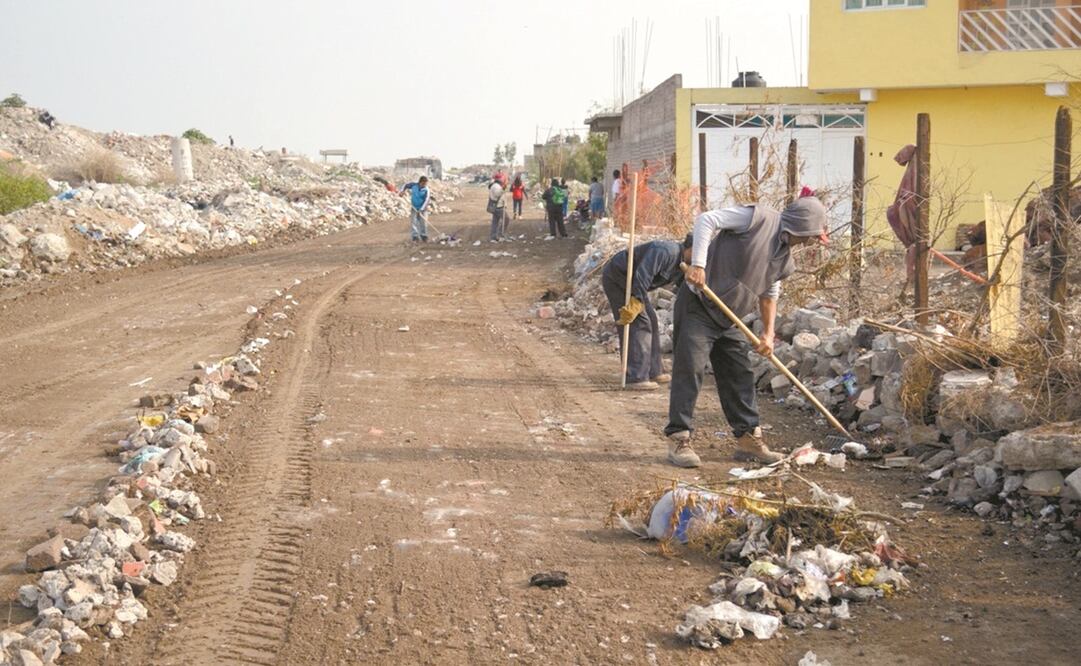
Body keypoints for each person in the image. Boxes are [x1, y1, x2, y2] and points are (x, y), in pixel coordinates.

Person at [664, 197, 829, 468]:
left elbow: (769, 293)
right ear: (802, 226)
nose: (811, 242)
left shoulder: (784, 259)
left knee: (740, 373)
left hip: (729, 318)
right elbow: (707, 220)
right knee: (690, 368)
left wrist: (768, 333)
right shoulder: (758, 218)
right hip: (698, 304)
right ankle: (678, 437)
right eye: (812, 236)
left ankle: (747, 439)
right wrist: (699, 265)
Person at [602, 234, 693, 390]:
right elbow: (643, 274)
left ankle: (653, 370)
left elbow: (682, 288)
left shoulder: (684, 263)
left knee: (652, 321)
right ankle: (636, 376)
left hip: (634, 284)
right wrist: (636, 301)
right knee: (640, 323)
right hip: (618, 278)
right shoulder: (665, 252)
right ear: (692, 249)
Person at [400, 176, 431, 242]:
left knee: (423, 222)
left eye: (426, 184)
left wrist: (421, 209)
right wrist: (402, 191)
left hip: (423, 208)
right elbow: (405, 185)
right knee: (414, 222)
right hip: (414, 207)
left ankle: (424, 235)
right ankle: (415, 236)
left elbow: (426, 200)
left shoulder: (426, 189)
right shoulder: (413, 185)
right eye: (423, 184)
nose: (424, 185)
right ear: (420, 182)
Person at [488, 175, 507, 242]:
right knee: (506, 220)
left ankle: (493, 237)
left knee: (495, 222)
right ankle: (499, 235)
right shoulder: (496, 186)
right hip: (498, 206)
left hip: (496, 206)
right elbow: (497, 194)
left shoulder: (495, 185)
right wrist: (503, 189)